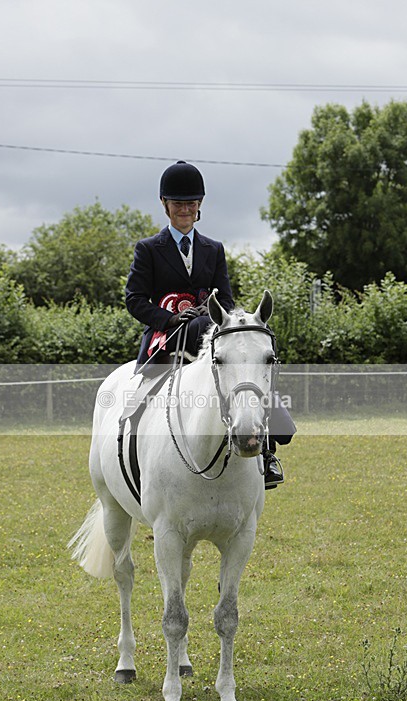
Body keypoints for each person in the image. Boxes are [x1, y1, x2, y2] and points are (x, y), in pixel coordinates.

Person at [125, 160, 293, 488]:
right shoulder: (148, 249)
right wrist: (171, 317)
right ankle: (132, 451)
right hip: (166, 337)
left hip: (207, 334)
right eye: (178, 204)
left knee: (249, 367)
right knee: (138, 406)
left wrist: (209, 313)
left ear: (199, 205)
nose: (184, 210)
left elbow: (226, 301)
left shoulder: (213, 249)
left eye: (190, 204)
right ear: (165, 205)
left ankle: (267, 452)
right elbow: (135, 300)